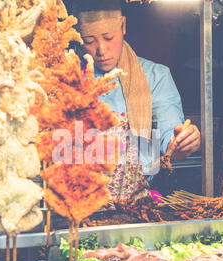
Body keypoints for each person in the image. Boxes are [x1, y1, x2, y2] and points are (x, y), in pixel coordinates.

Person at [71, 0, 200, 204]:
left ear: (123, 26)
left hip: (137, 204)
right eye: (89, 40)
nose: (101, 50)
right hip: (78, 206)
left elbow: (170, 139)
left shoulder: (156, 77)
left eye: (108, 37)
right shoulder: (68, 78)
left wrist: (182, 142)